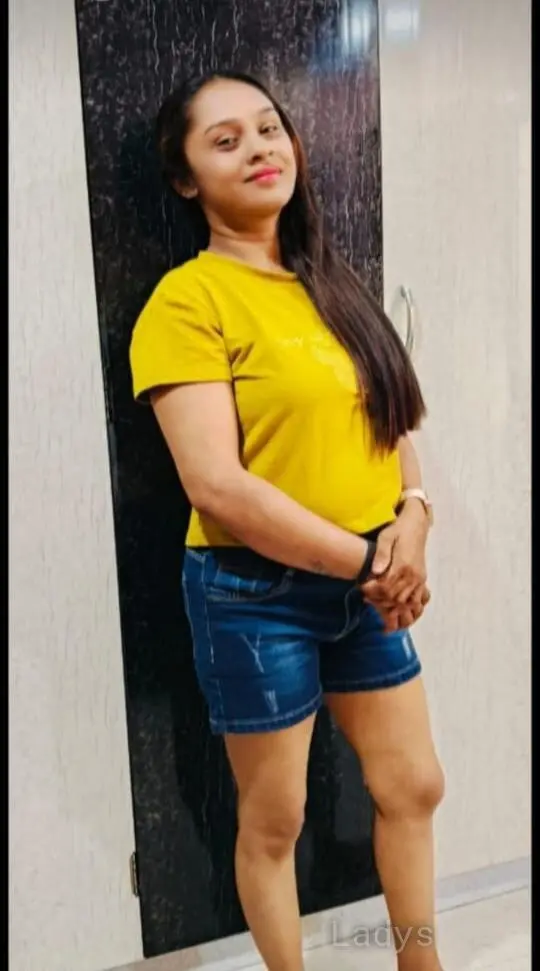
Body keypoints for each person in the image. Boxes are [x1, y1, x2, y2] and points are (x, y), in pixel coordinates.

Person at [130, 71, 445, 971]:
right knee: (276, 819)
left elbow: (392, 422)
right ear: (186, 178)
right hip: (254, 594)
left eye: (269, 128)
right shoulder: (187, 301)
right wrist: (369, 562)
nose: (260, 149)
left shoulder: (330, 282)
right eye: (225, 140)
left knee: (414, 785)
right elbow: (217, 486)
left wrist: (414, 517)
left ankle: (422, 962)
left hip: (369, 584)